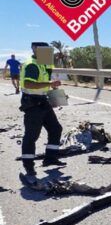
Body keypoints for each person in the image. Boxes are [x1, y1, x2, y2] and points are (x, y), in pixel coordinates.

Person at [20, 42, 66, 176]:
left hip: (42, 100)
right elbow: (29, 83)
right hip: (32, 102)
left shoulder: (44, 63)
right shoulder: (32, 64)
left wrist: (55, 93)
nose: (48, 54)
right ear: (36, 50)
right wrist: (50, 83)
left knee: (55, 128)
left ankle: (50, 158)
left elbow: (45, 83)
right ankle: (29, 166)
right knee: (31, 135)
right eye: (46, 51)